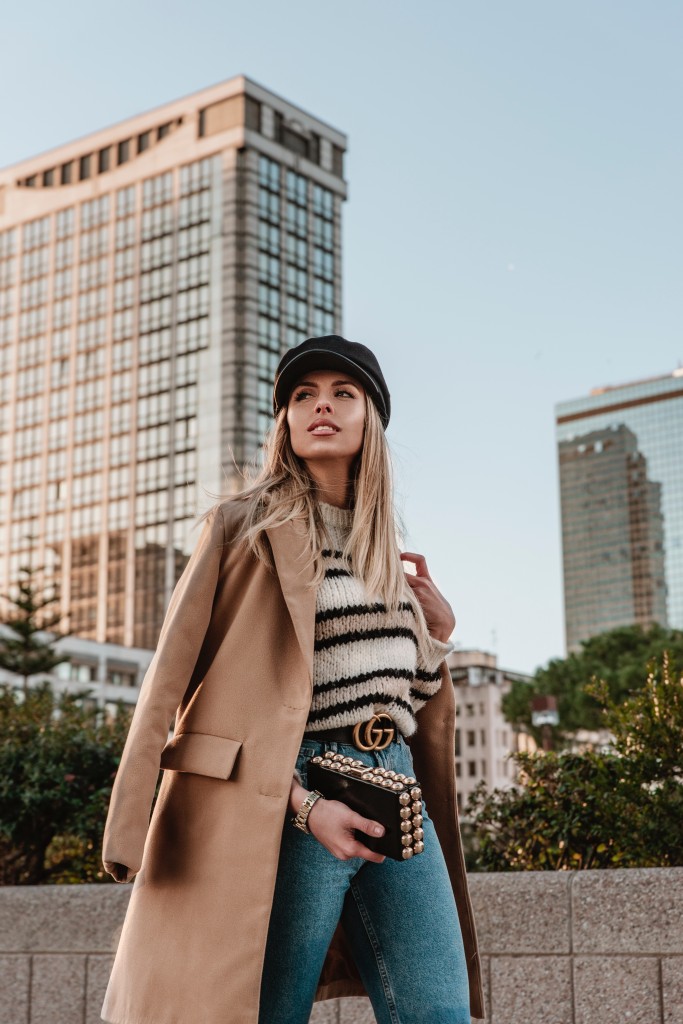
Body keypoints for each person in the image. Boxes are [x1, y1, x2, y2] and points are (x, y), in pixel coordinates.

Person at [101, 336, 484, 1024]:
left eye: (343, 394)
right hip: (293, 794)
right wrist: (306, 808)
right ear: (284, 421)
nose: (320, 407)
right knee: (265, 1012)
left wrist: (439, 637)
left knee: (439, 1012)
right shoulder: (244, 528)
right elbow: (172, 682)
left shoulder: (381, 552)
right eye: (302, 396)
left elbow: (406, 701)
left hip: (395, 794)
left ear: (371, 418)